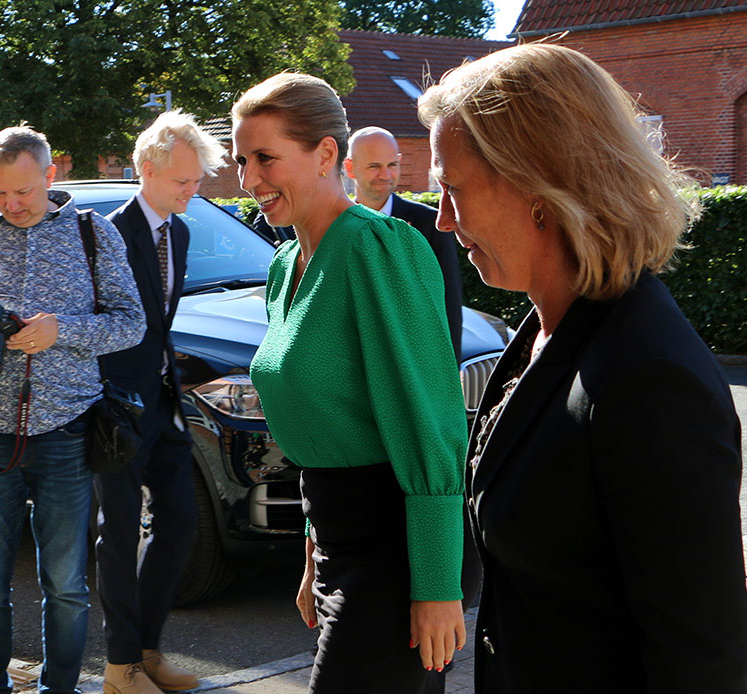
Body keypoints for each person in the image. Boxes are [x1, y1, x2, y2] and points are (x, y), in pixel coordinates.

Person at [418, 43, 747, 692]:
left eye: (453, 190)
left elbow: (700, 660)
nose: (442, 220)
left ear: (539, 184)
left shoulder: (646, 378)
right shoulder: (548, 330)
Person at [233, 72, 469, 693]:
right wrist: (313, 552)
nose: (249, 180)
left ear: (326, 154)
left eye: (265, 158)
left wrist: (439, 583)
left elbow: (430, 415)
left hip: (396, 552)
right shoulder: (285, 267)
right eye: (241, 160)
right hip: (337, 537)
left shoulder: (377, 249)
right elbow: (328, 428)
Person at [0, 125, 143, 694]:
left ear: (50, 176)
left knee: (66, 583)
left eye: (23, 192)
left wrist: (62, 333)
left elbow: (132, 324)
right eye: (0, 193)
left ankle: (60, 689)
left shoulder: (91, 232)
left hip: (66, 429)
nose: (11, 205)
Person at [96, 111, 226, 694]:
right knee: (119, 534)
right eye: (183, 182)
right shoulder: (106, 233)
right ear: (147, 170)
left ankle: (147, 652)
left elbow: (161, 323)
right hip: (114, 409)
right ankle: (119, 667)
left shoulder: (181, 231)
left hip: (162, 403)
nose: (192, 192)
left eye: (196, 181)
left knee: (181, 521)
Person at [344, 127, 463, 363]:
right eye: (374, 166)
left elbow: (448, 302)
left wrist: (449, 367)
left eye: (392, 165)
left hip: (415, 362)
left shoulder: (429, 224)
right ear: (350, 168)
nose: (385, 175)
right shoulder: (333, 225)